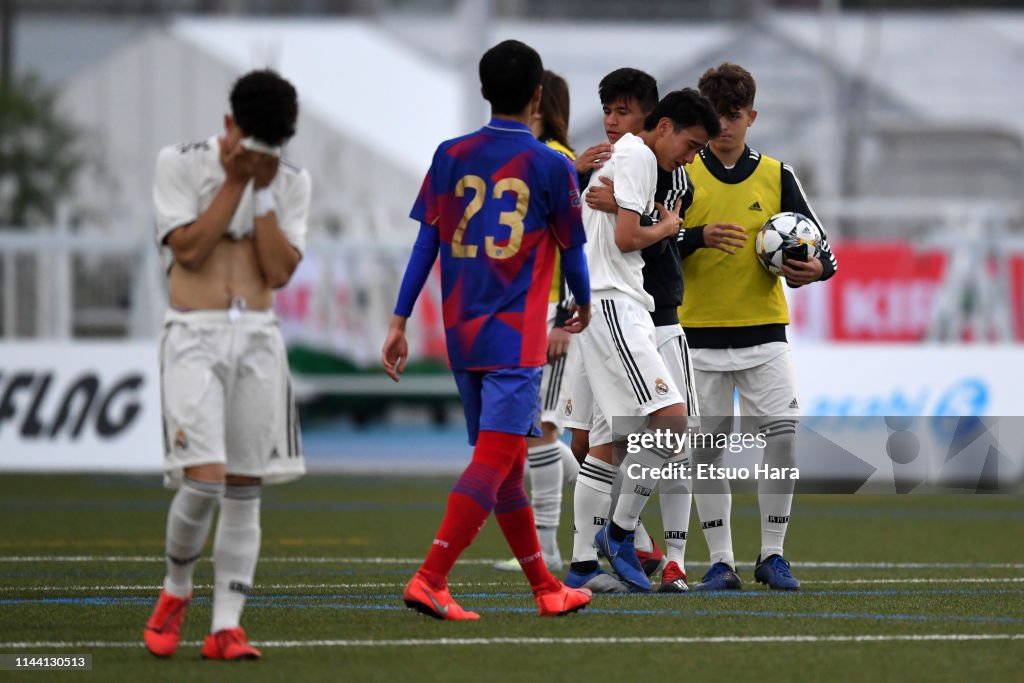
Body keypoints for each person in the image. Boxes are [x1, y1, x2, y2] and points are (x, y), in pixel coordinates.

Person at [381, 40, 593, 620]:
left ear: (483, 91)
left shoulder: (450, 153)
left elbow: (426, 241)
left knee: (507, 469)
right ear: (537, 97)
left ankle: (547, 590)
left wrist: (399, 320)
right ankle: (430, 577)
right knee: (496, 460)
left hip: (462, 330)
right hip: (516, 330)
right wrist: (583, 300)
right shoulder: (552, 164)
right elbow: (573, 248)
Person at [144, 69, 311, 660]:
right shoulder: (180, 162)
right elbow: (186, 248)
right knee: (202, 479)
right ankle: (176, 588)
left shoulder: (290, 181)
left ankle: (226, 627)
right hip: (193, 333)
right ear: (228, 126)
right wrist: (234, 182)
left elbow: (279, 271)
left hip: (259, 338)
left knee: (245, 486)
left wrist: (261, 191)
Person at [678, 62, 838, 591]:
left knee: (784, 437)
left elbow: (824, 253)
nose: (724, 126)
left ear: (752, 115)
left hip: (764, 334)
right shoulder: (679, 174)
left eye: (733, 115)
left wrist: (814, 269)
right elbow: (650, 243)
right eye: (715, 116)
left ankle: (773, 554)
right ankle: (721, 561)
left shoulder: (777, 174)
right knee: (707, 448)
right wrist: (695, 237)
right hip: (696, 335)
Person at [562, 84, 716, 593]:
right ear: (665, 126)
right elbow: (630, 238)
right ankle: (622, 534)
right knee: (673, 424)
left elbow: (614, 223)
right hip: (614, 303)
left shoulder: (632, 158)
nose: (691, 157)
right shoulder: (639, 155)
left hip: (605, 300)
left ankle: (584, 563)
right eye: (691, 146)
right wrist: (668, 225)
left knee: (607, 443)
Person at [493, 69, 582, 575]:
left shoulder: (555, 161)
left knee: (542, 429)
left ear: (543, 106)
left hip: (551, 311)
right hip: (526, 310)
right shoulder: (533, 159)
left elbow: (572, 246)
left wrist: (566, 319)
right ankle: (626, 527)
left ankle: (547, 551)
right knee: (536, 429)